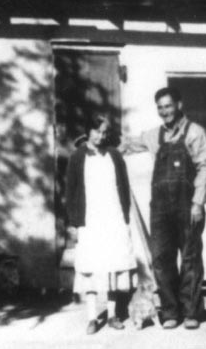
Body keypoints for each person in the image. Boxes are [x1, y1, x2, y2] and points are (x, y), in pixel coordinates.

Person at [118, 87, 206, 330]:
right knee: (161, 259)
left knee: (190, 259)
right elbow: (128, 145)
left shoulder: (195, 132)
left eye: (168, 106)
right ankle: (171, 311)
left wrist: (198, 202)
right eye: (160, 108)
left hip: (188, 206)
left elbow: (205, 166)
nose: (164, 112)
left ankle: (191, 312)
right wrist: (104, 143)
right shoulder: (154, 136)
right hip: (160, 208)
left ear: (179, 105)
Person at [64, 115, 136, 334]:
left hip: (113, 218)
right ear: (88, 132)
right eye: (96, 131)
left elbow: (123, 186)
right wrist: (74, 223)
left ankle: (113, 315)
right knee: (91, 266)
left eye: (104, 132)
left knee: (113, 265)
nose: (101, 136)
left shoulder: (114, 155)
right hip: (90, 219)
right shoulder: (77, 157)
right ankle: (92, 317)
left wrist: (125, 217)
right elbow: (71, 191)